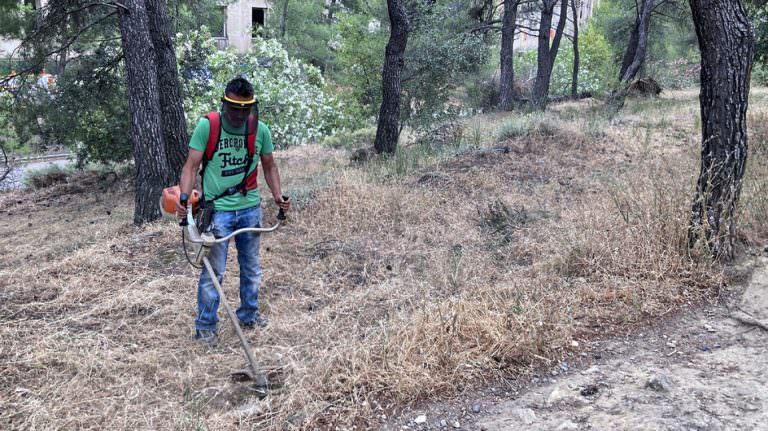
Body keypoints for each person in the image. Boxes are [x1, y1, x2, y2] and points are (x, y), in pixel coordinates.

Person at [176, 77, 289, 346]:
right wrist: (184, 198)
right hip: (218, 213)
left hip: (249, 209)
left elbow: (270, 166)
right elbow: (191, 166)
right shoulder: (208, 126)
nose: (239, 114)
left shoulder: (260, 130)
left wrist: (277, 195)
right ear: (225, 104)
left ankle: (249, 315)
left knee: (251, 268)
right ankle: (206, 327)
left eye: (245, 109)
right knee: (213, 273)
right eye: (234, 108)